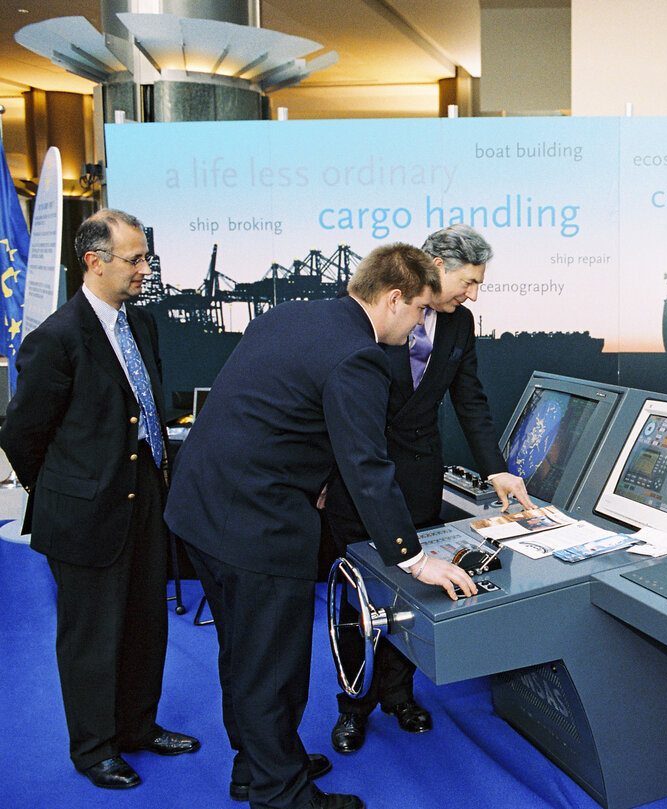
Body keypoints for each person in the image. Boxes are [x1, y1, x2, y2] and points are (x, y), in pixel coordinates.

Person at [163, 243, 478, 809]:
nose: (416, 330)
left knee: (241, 652)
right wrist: (413, 556)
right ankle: (283, 796)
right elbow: (367, 465)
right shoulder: (358, 355)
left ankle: (258, 764)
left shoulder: (294, 314)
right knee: (273, 667)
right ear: (394, 298)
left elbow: (281, 410)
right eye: (418, 314)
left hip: (198, 509)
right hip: (254, 527)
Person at [0, 209, 199, 789]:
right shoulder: (56, 339)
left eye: (145, 257)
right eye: (134, 259)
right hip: (85, 515)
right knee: (92, 638)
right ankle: (94, 750)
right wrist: (69, 491)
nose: (145, 269)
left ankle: (139, 727)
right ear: (94, 262)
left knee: (145, 625)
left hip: (144, 504)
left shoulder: (143, 325)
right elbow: (20, 434)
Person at [322, 224, 534, 753]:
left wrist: (496, 468)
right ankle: (354, 705)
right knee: (360, 599)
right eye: (469, 280)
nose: (474, 293)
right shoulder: (373, 312)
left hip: (418, 477)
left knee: (414, 592)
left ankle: (399, 694)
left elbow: (471, 399)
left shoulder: (460, 324)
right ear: (436, 265)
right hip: (357, 476)